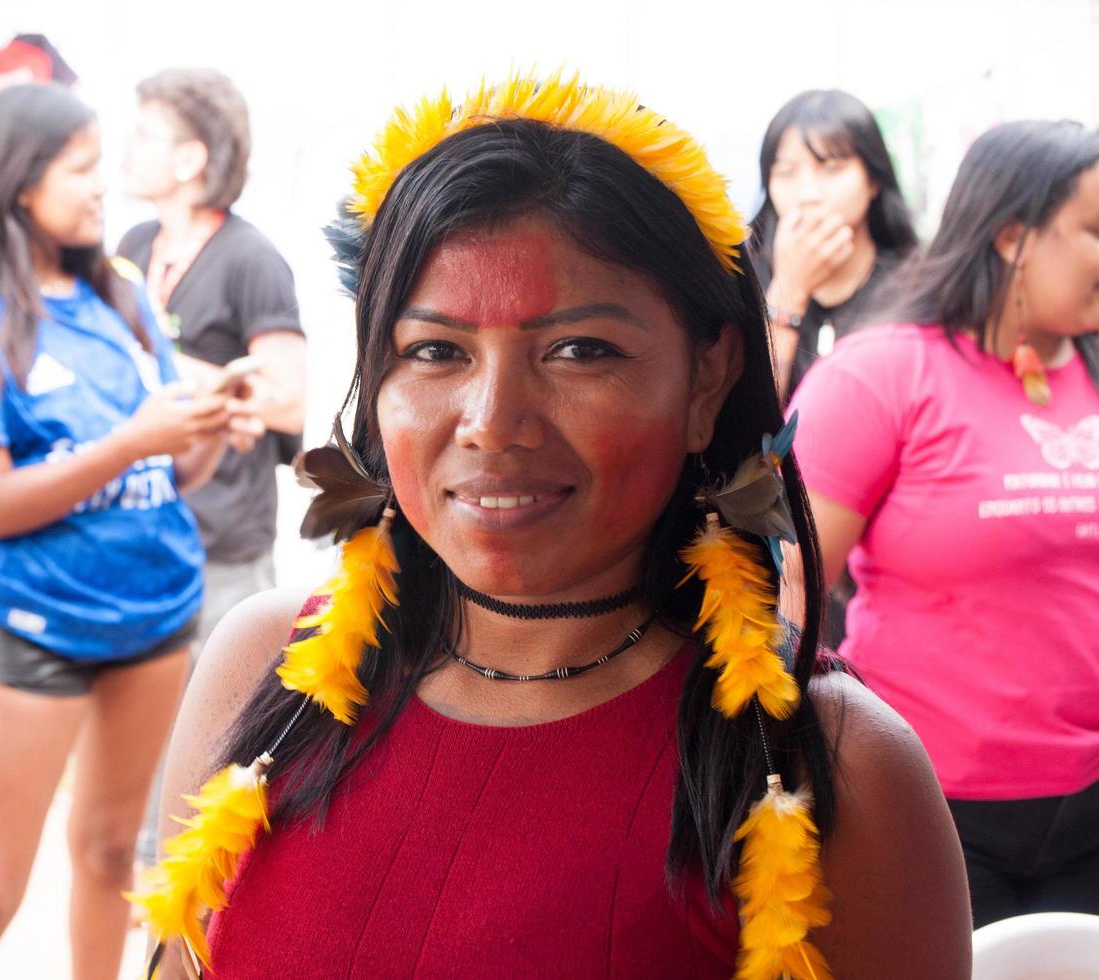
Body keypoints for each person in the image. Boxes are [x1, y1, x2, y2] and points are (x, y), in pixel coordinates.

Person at [139, 75, 971, 979]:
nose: (493, 420)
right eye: (435, 352)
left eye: (580, 351)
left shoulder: (834, 767)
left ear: (706, 383)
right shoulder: (261, 666)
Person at [0, 84, 260, 980]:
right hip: (40, 625)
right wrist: (134, 440)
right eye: (81, 167)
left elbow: (171, 474)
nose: (103, 186)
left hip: (153, 612)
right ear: (18, 181)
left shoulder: (124, 292)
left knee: (114, 857)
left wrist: (209, 430)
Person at [789, 120, 1099, 929]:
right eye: (1096, 229)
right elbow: (779, 590)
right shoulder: (881, 374)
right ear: (1012, 237)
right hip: (927, 809)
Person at [118, 68, 306, 647]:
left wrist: (164, 361)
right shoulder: (133, 245)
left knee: (229, 727)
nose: (125, 150)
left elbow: (290, 403)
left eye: (144, 135)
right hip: (143, 528)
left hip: (223, 543)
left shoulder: (252, 258)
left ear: (190, 159)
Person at [749, 90, 919, 402]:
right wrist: (789, 291)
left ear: (873, 179)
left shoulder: (919, 289)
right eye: (786, 172)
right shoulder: (742, 280)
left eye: (830, 168)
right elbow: (744, 423)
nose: (807, 194)